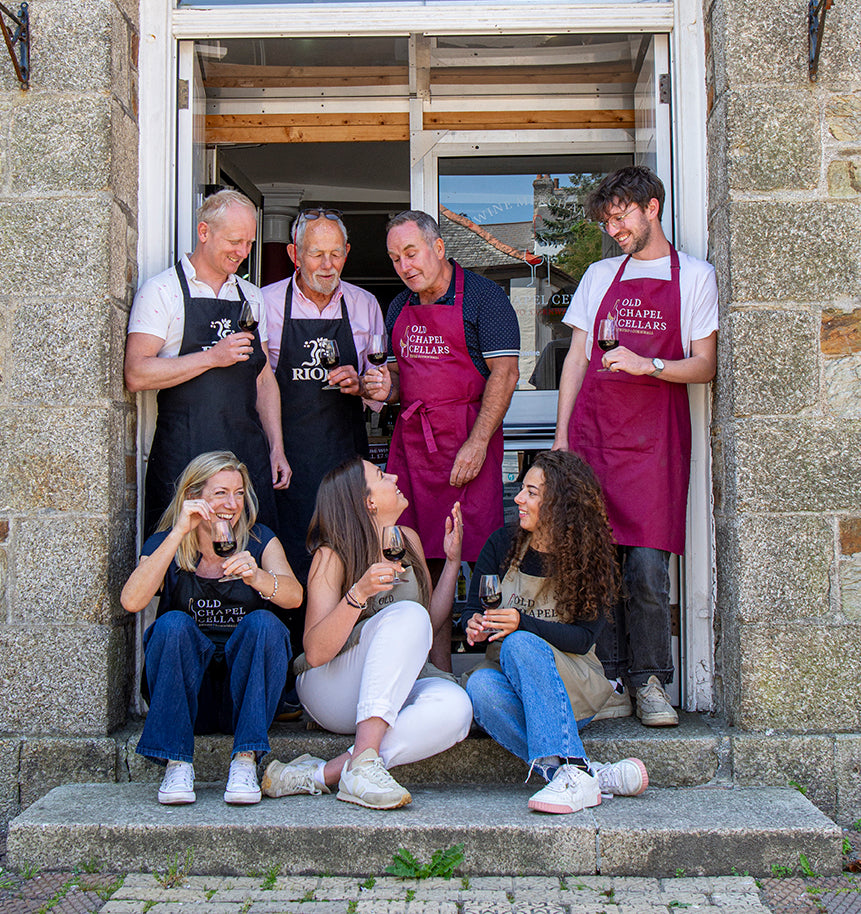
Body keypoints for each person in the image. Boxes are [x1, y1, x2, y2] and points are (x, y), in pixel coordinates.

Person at [553, 166, 718, 727]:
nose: (614, 228)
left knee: (647, 568)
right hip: (595, 439)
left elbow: (705, 364)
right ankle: (612, 680)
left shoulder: (694, 277)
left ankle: (651, 682)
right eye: (608, 220)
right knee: (597, 565)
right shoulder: (600, 275)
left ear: (652, 207)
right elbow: (576, 358)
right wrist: (559, 441)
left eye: (621, 216)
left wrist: (648, 364)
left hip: (653, 445)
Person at [260, 457, 473, 810]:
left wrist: (452, 562)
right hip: (334, 687)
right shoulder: (331, 555)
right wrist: (358, 594)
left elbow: (429, 623)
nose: (393, 476)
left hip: (391, 690)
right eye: (381, 475)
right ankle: (362, 762)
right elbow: (314, 652)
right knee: (406, 613)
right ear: (368, 501)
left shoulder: (409, 540)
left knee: (457, 708)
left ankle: (331, 772)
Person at [366, 210, 520, 670]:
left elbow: (506, 375)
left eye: (410, 253)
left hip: (469, 442)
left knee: (483, 559)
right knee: (419, 564)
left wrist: (476, 444)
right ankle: (435, 674)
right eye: (395, 259)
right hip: (414, 450)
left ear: (438, 247)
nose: (404, 266)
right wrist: (382, 389)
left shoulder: (485, 300)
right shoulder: (398, 307)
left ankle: (494, 675)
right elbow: (398, 381)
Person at [463, 450, 649, 815]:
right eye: (523, 490)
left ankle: (570, 769)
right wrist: (474, 624)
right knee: (479, 688)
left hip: (571, 690)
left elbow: (582, 639)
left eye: (531, 492)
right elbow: (474, 609)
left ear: (559, 503)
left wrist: (522, 623)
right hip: (512, 686)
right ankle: (582, 771)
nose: (518, 498)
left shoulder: (591, 557)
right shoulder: (501, 546)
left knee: (519, 643)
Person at [120, 451, 302, 806]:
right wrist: (177, 532)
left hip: (245, 700)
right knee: (171, 624)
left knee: (265, 623)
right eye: (220, 493)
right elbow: (131, 600)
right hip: (186, 699)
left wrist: (259, 578)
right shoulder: (165, 544)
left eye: (238, 493)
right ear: (194, 497)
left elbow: (294, 597)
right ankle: (177, 763)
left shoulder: (260, 540)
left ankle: (245, 760)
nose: (232, 503)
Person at [125, 189, 291, 534]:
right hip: (185, 458)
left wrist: (276, 447)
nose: (243, 252)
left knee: (251, 558)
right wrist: (213, 357)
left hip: (245, 456)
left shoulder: (251, 297)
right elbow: (137, 372)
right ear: (204, 233)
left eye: (249, 242)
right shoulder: (162, 292)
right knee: (181, 562)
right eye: (235, 241)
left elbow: (262, 379)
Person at [262, 208, 388, 585]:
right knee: (288, 559)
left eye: (336, 254)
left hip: (345, 459)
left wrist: (364, 384)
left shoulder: (365, 305)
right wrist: (273, 449)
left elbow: (381, 386)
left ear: (347, 252)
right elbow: (256, 384)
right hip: (285, 461)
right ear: (293, 254)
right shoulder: (264, 303)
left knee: (346, 559)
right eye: (316, 254)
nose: (328, 265)